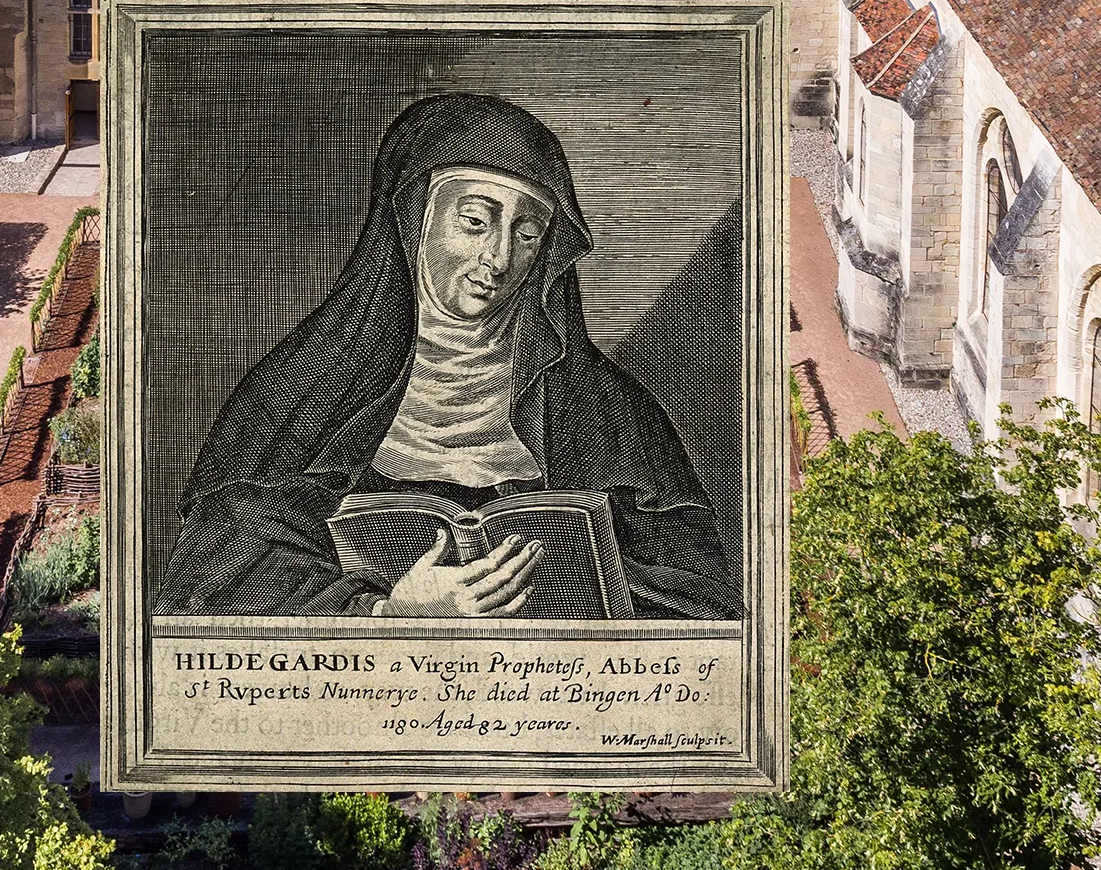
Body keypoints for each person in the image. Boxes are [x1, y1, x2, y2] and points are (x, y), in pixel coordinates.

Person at [155, 92, 740, 619]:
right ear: (416, 221)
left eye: (528, 233)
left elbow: (706, 598)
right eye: (476, 222)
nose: (499, 258)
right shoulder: (302, 392)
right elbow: (206, 585)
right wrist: (386, 611)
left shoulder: (606, 408)